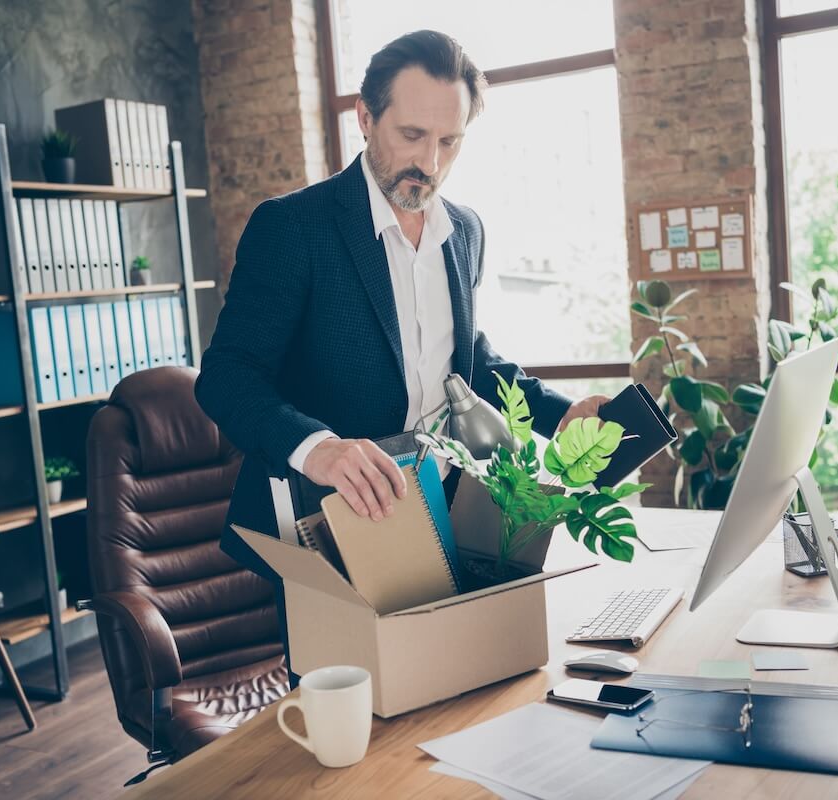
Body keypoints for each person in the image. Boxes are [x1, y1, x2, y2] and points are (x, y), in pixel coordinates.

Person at [195, 29, 608, 672]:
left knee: (453, 690)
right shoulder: (293, 228)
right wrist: (320, 448)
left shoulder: (463, 232)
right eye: (412, 136)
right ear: (365, 118)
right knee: (359, 726)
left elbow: (468, 363)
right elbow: (225, 376)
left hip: (440, 511)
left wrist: (564, 414)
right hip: (328, 518)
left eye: (450, 141)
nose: (432, 163)